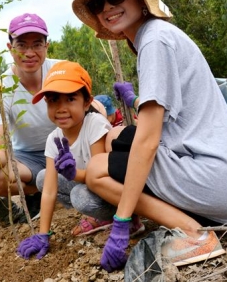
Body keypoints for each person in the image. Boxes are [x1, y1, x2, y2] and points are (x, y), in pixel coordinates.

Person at [71, 0, 227, 271]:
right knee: (117, 136)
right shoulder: (156, 35)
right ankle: (182, 216)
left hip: (219, 179)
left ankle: (193, 233)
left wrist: (120, 221)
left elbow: (148, 141)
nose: (106, 7)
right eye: (96, 2)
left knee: (97, 170)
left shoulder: (155, 40)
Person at [16, 61, 146, 260]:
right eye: (53, 100)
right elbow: (50, 190)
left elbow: (101, 175)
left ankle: (130, 220)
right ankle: (102, 218)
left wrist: (74, 174)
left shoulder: (94, 125)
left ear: (87, 103)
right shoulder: (54, 139)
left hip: (109, 189)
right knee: (43, 178)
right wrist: (43, 233)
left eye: (70, 99)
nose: (61, 108)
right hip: (89, 186)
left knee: (80, 196)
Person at [0, 13, 61, 223]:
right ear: (10, 47)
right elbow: (2, 150)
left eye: (37, 44)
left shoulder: (61, 71)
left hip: (66, 151)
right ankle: (45, 189)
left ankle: (54, 185)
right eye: (21, 45)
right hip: (29, 159)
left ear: (47, 46)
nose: (29, 53)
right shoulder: (0, 89)